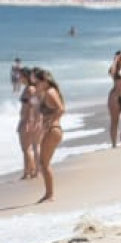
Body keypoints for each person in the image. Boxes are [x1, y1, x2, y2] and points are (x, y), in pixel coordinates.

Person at [32, 68, 66, 204]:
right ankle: (48, 194)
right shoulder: (46, 92)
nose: (36, 85)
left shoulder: (50, 92)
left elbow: (61, 109)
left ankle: (50, 194)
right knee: (43, 163)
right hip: (51, 130)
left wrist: (50, 121)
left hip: (54, 129)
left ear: (44, 81)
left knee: (44, 164)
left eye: (37, 82)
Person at [16, 79, 41, 180]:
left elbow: (32, 105)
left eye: (20, 75)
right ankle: (30, 171)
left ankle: (31, 171)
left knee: (27, 148)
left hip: (27, 120)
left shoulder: (30, 89)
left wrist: (30, 120)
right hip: (26, 119)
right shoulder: (28, 88)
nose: (19, 78)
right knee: (28, 147)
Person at [106, 51, 121, 149]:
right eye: (120, 57)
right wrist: (115, 60)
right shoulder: (114, 69)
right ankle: (114, 144)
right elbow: (111, 73)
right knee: (114, 121)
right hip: (115, 97)